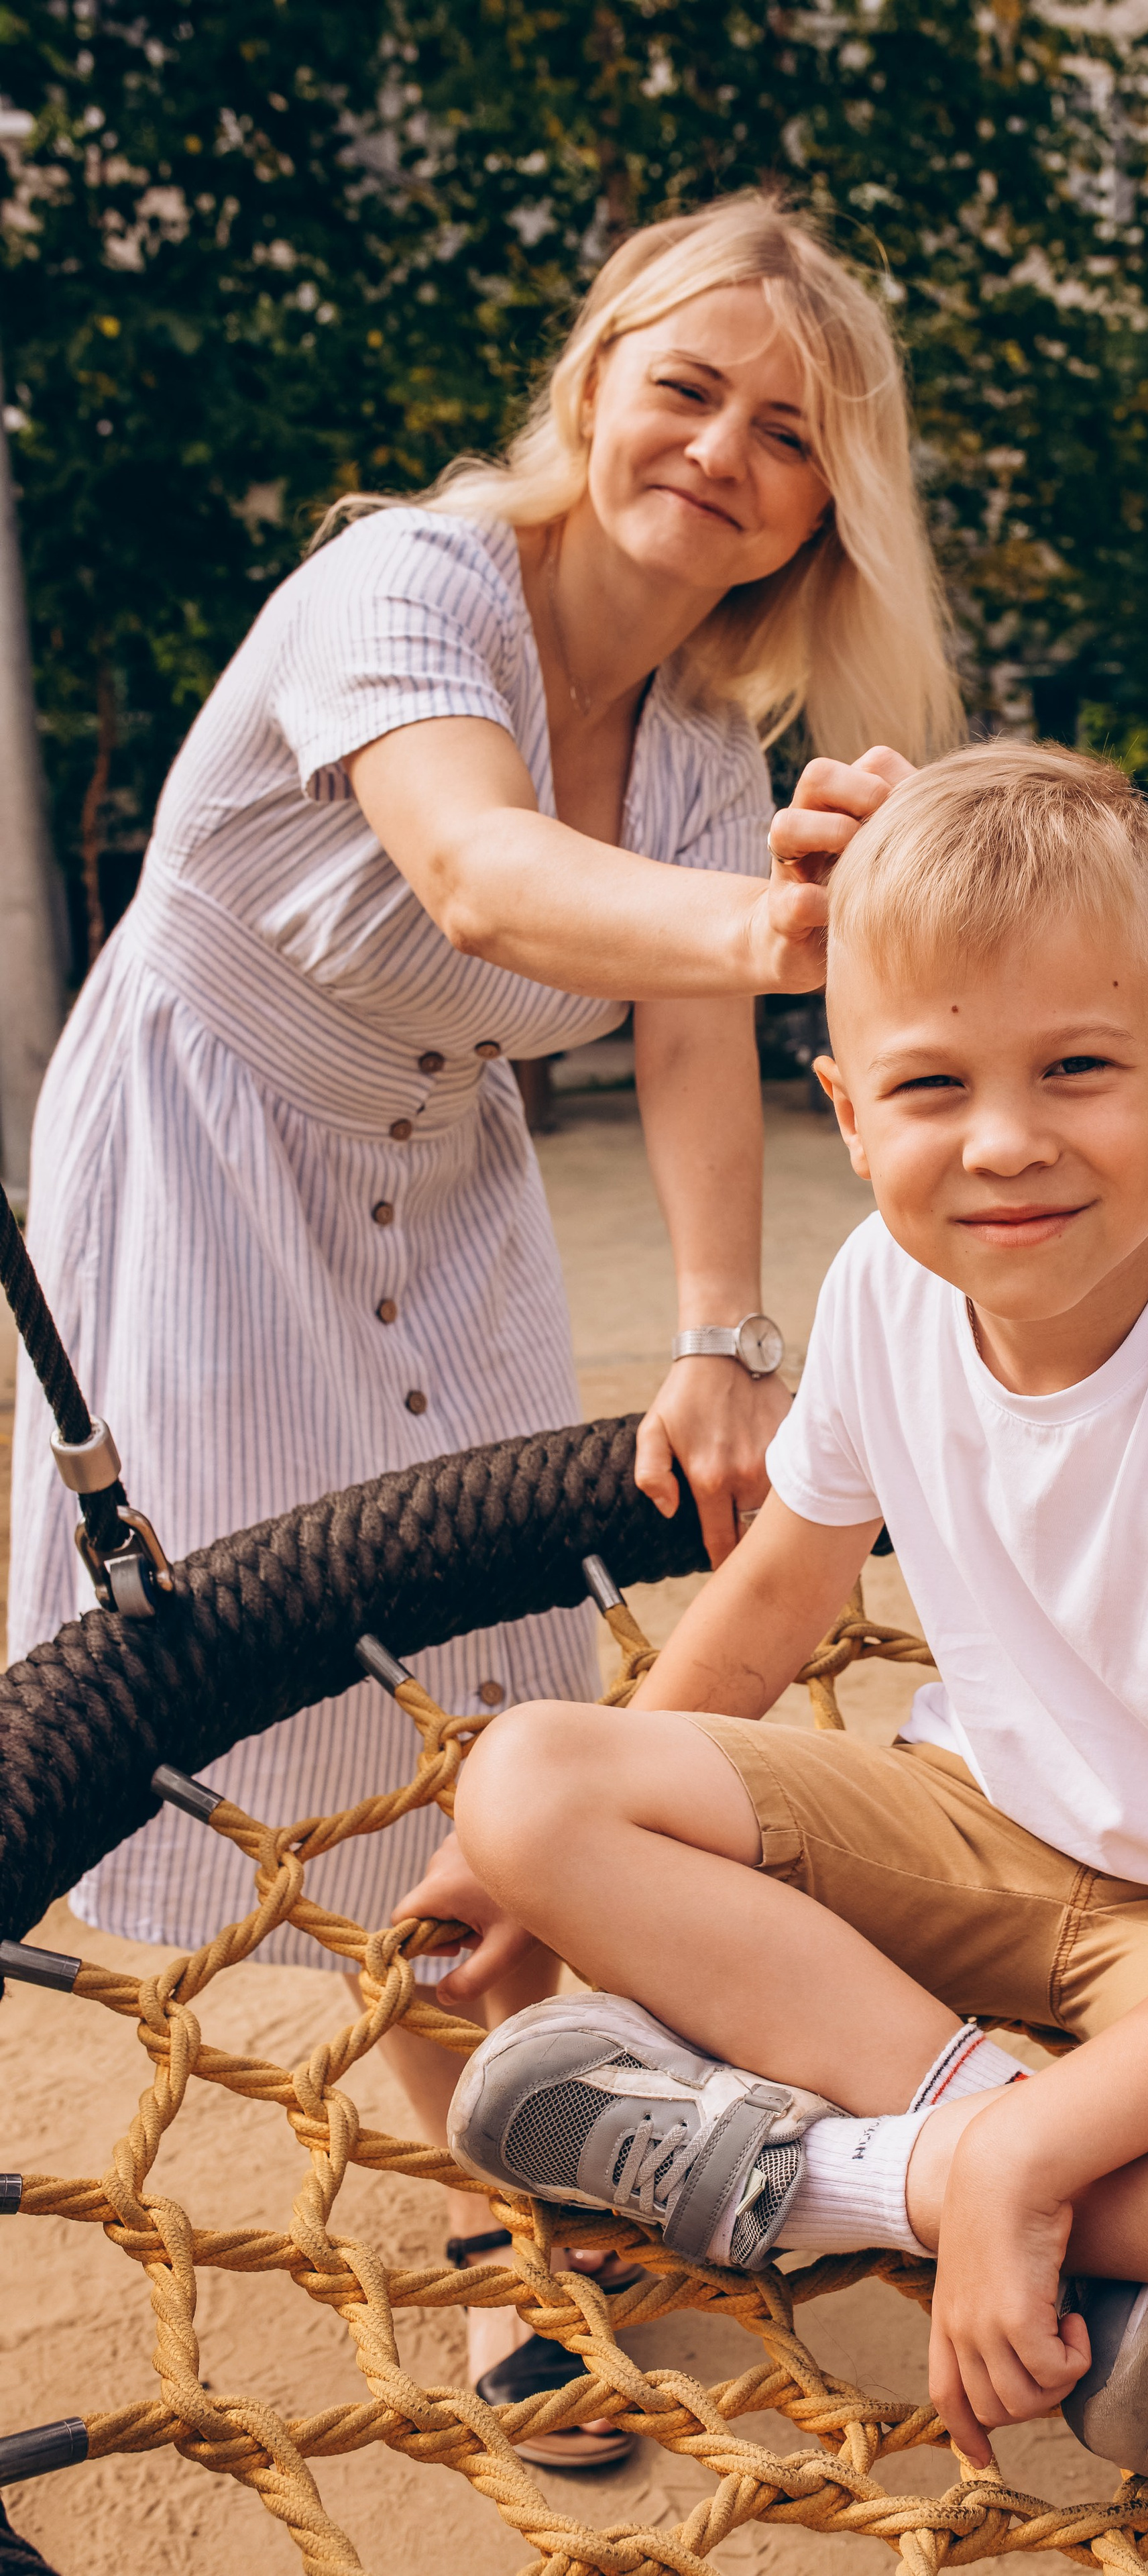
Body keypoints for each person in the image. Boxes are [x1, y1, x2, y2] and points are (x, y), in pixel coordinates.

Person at [6, 193, 962, 2466]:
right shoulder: (408, 586)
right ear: (594, 377)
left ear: (829, 504)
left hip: (447, 1172)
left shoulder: (706, 722)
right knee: (320, 1703)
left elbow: (693, 1030)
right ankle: (516, 2229)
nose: (723, 453)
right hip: (215, 1143)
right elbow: (479, 874)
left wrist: (724, 1330)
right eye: (688, 389)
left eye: (791, 435)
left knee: (503, 1690)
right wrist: (775, 930)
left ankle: (570, 2118)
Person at [399, 740, 1148, 2477]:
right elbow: (777, 1596)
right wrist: (529, 1865)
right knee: (531, 1778)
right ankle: (991, 2175)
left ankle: (864, 2180)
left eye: (1077, 1067)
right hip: (975, 1830)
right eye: (931, 1086)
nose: (1007, 1143)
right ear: (850, 1116)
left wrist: (1031, 2157)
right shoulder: (882, 1288)